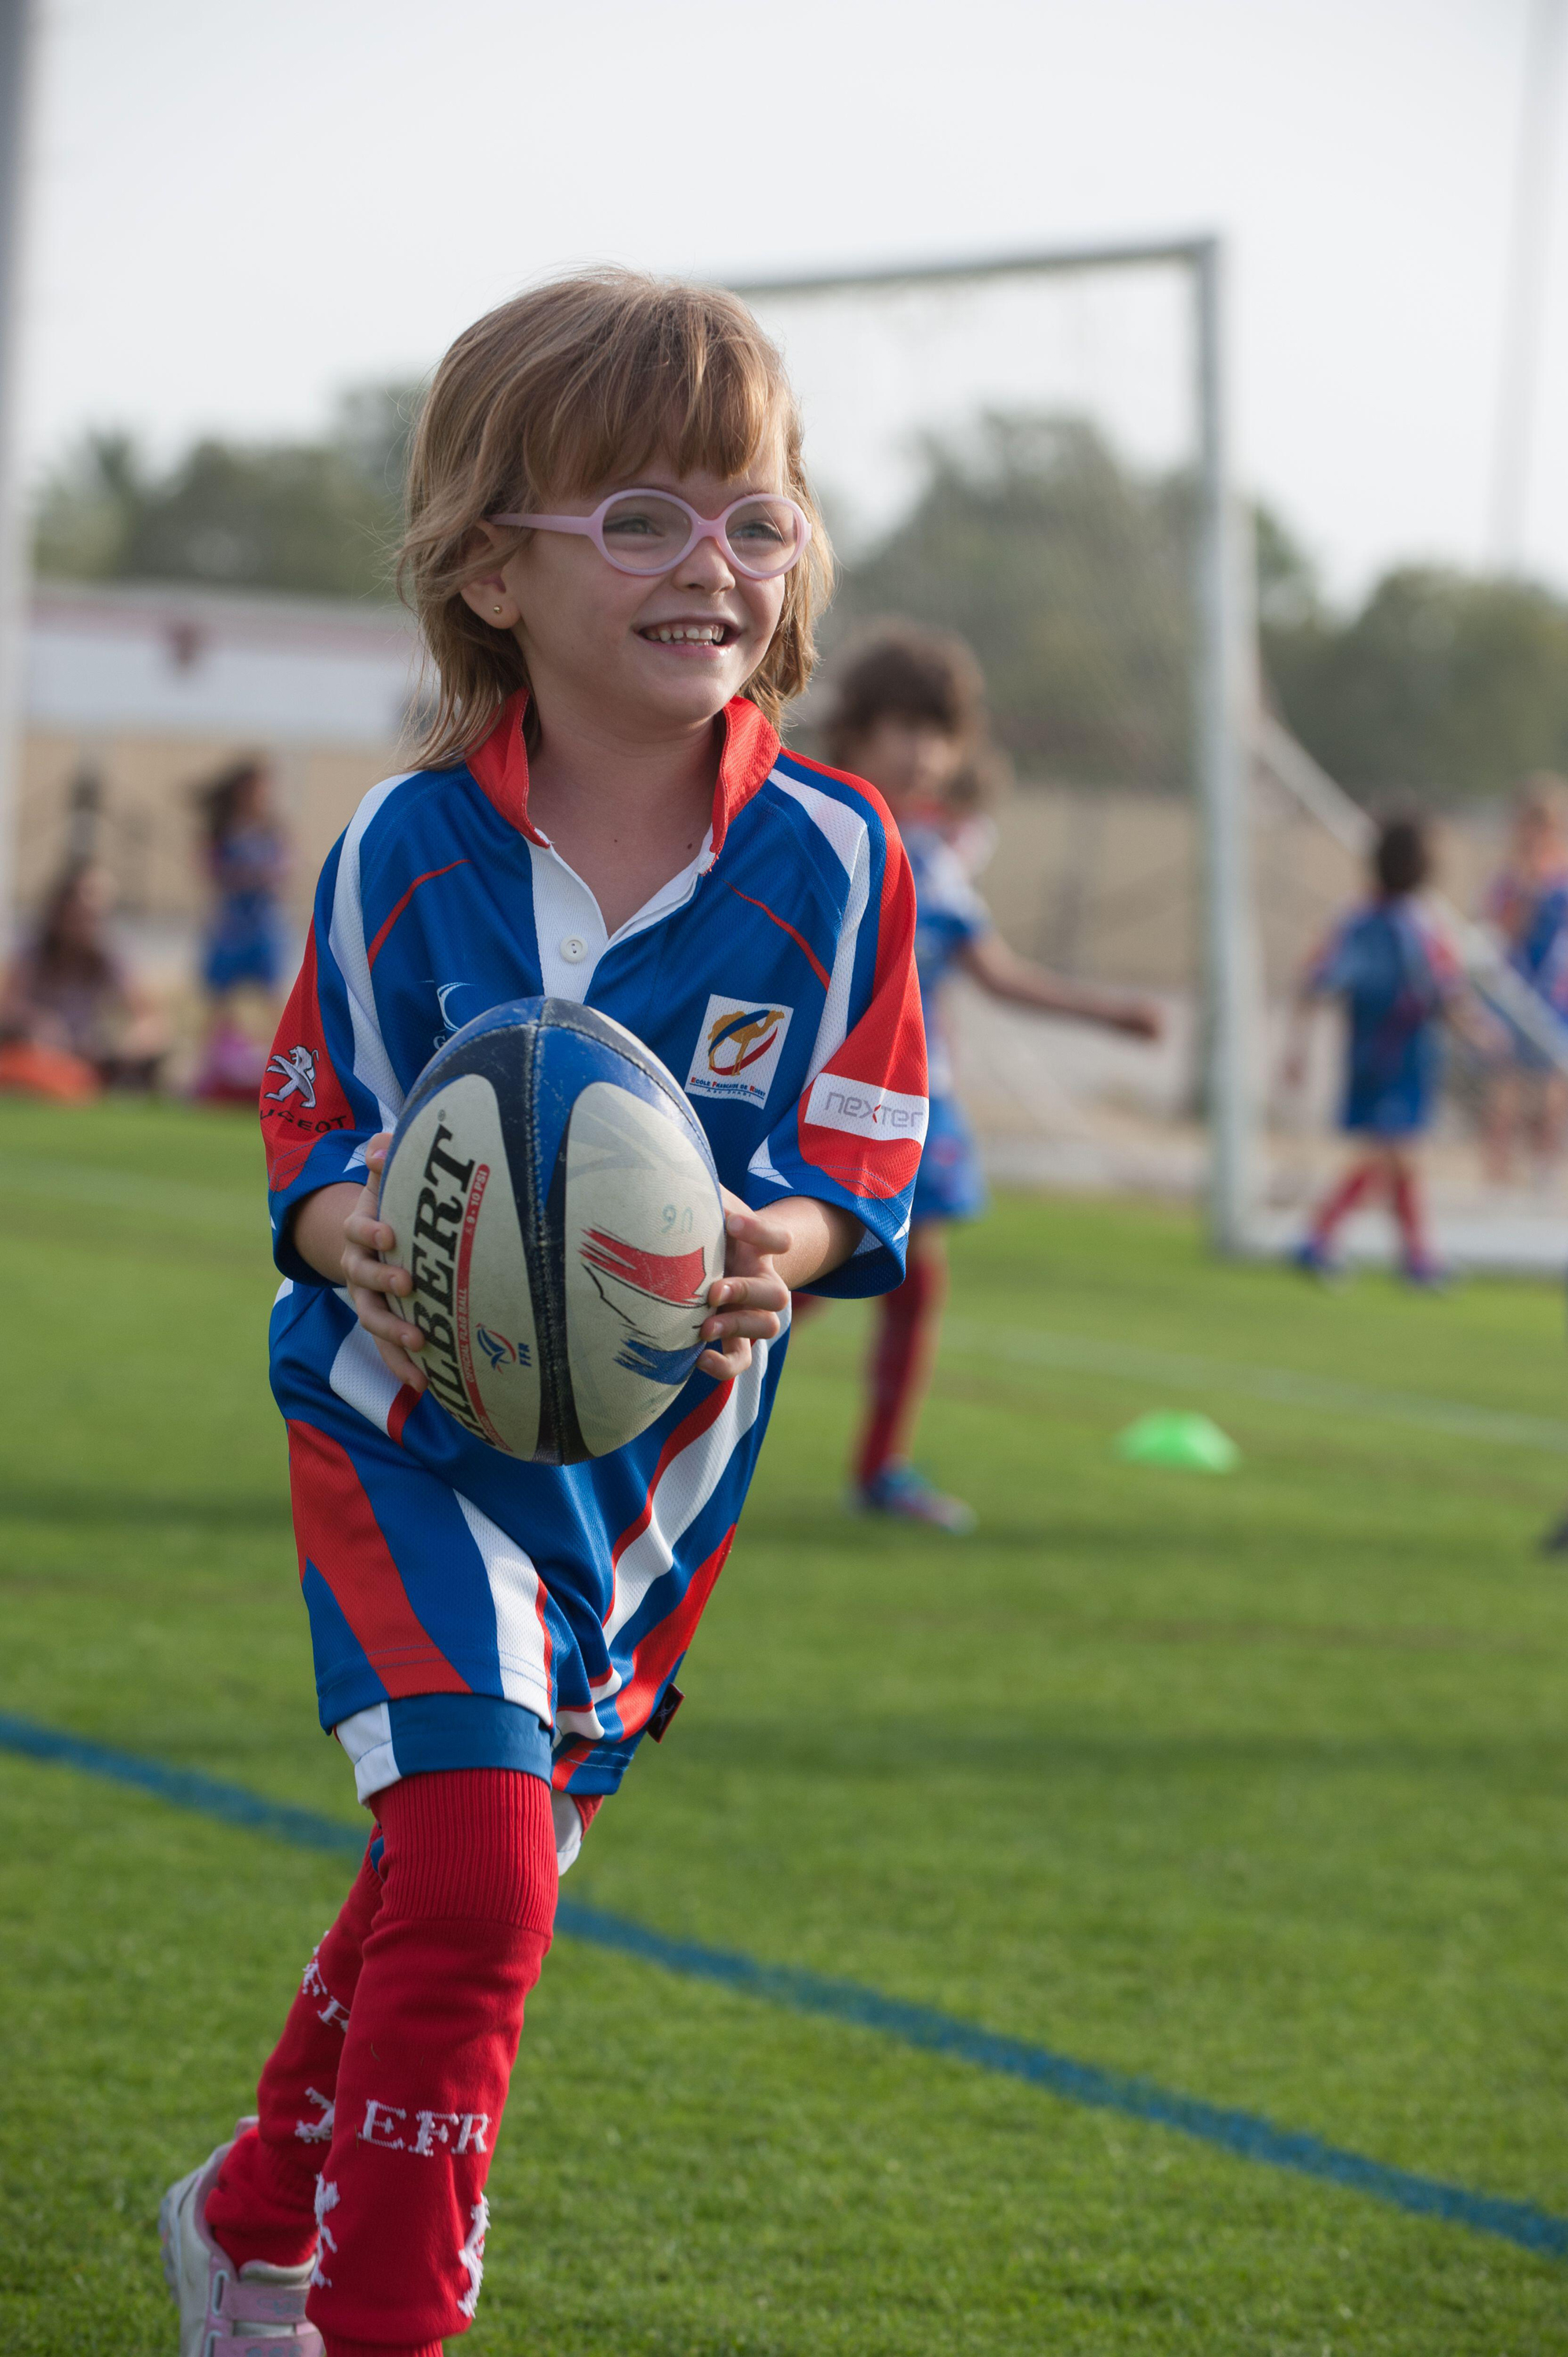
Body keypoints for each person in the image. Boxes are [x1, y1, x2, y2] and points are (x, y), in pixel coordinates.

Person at [157, 271, 927, 2357]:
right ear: (493, 566)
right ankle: (366, 2319)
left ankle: (243, 2214)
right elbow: (313, 1130)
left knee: (466, 1861)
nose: (715, 564)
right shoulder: (406, 851)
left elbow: (872, 1151)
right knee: (488, 1874)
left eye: (754, 517)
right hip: (406, 1431)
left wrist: (797, 1241)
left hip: (651, 1486)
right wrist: (349, 1242)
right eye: (644, 517)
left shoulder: (842, 855)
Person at [809, 626, 1162, 1532]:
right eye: (903, 726)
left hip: (915, 1103)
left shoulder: (930, 859)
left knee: (913, 1281)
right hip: (809, 1098)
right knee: (785, 1283)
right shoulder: (806, 830)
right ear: (853, 729)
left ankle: (880, 1467)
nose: (922, 750)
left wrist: (1108, 1013)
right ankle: (658, 1407)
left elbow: (994, 971)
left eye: (939, 731)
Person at [1287, 814, 1468, 1282]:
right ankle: (1320, 1237)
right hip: (1396, 1054)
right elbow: (1443, 991)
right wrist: (1475, 1027)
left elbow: (1316, 980)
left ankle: (1416, 1258)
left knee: (1402, 1153)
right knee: (1390, 1152)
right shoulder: (1415, 924)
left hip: (1376, 1052)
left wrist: (1297, 1047)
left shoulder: (1358, 918)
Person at [0, 856, 167, 1099]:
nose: (96, 911)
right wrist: (36, 1024)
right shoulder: (33, 953)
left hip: (83, 1064)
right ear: (62, 907)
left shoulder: (108, 956)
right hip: (33, 1058)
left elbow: (150, 1020)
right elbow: (8, 1008)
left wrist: (129, 1045)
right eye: (88, 901)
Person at [1479, 774, 1568, 1186]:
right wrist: (1526, 892)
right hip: (1516, 990)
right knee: (1505, 1084)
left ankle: (1544, 1168)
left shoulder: (1562, 878)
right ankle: (1498, 1170)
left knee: (1554, 1088)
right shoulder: (1510, 880)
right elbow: (1502, 930)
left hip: (1555, 992)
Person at [191, 757, 292, 1104]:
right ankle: (206, 1072)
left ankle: (285, 1071)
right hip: (232, 925)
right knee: (219, 1001)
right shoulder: (222, 829)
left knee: (273, 1000)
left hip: (263, 922)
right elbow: (210, 869)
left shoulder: (271, 828)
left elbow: (285, 868)